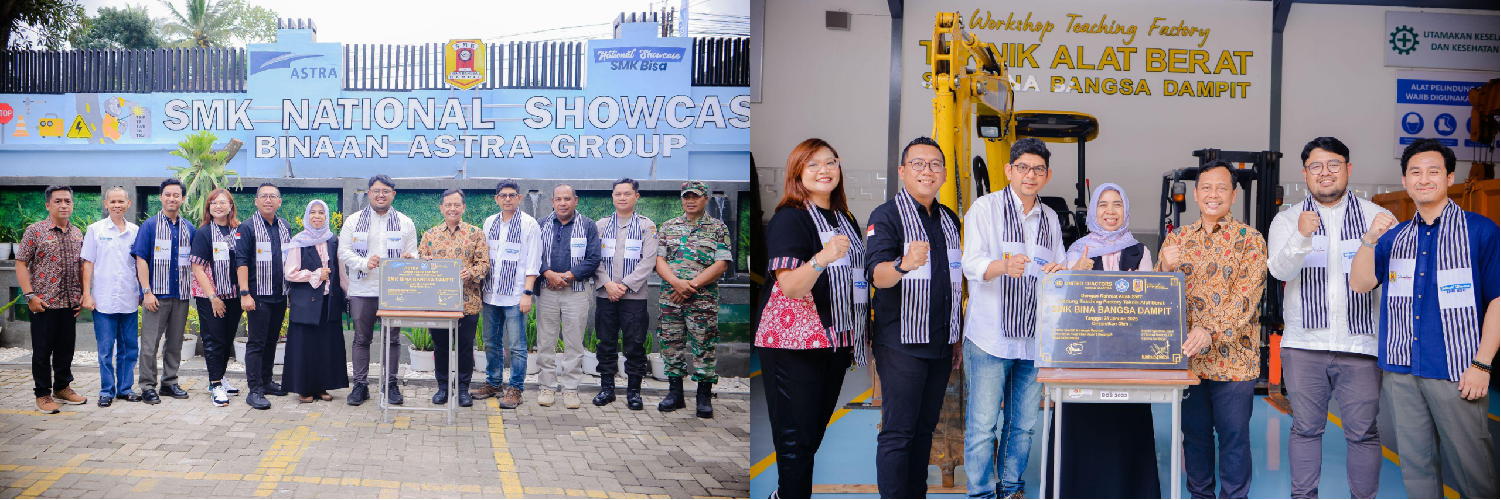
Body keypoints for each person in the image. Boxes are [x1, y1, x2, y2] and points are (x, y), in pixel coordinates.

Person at [1350, 138, 1499, 500]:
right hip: (1402, 372)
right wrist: (1369, 240)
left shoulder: (1479, 231)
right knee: (1417, 471)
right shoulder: (1394, 238)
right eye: (1415, 172)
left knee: (1473, 471)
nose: (1424, 179)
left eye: (1434, 171)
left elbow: (1498, 299)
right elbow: (1360, 283)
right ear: (1405, 180)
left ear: (1450, 178)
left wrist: (1482, 362)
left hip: (1457, 372)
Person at [1267, 137, 1389, 499]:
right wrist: (1303, 235)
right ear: (1305, 173)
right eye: (1316, 166)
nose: (1325, 173)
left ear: (1348, 169)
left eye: (1334, 164)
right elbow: (1279, 271)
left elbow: (1394, 277)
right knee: (1305, 429)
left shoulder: (1375, 217)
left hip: (1361, 344)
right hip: (1305, 345)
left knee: (1364, 433)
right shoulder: (1288, 219)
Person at [756, 138, 867, 499]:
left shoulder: (844, 218)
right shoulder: (791, 218)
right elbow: (789, 286)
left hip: (835, 341)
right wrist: (822, 257)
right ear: (798, 174)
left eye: (831, 162)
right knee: (795, 441)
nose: (824, 170)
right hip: (796, 345)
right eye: (814, 164)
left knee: (812, 436)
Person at [960, 137, 1065, 500]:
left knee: (1022, 426)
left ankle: (1011, 489)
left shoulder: (1051, 218)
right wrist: (1001, 266)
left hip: (1033, 339)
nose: (1030, 175)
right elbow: (969, 263)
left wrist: (1059, 270)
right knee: (982, 426)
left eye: (1038, 169)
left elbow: (1060, 270)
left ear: (1047, 175)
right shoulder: (984, 209)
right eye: (1023, 167)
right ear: (1009, 170)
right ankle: (981, 494)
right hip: (990, 338)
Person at [1156, 159, 1267, 499]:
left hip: (1234, 362)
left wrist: (1210, 331)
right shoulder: (1178, 239)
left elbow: (1246, 298)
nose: (1213, 194)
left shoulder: (1251, 240)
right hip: (1189, 363)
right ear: (1195, 193)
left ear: (1233, 195)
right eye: (1206, 187)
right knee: (1195, 436)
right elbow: (1156, 298)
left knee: (1234, 437)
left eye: (1221, 188)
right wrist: (1164, 267)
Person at [1043, 183, 1160, 499]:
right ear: (1094, 211)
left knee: (1124, 428)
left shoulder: (1140, 251)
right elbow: (1062, 309)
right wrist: (1073, 275)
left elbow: (1149, 304)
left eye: (1117, 204)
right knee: (1083, 429)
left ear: (1125, 210)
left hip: (1127, 360)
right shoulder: (1076, 250)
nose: (1110, 211)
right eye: (1103, 205)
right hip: (1084, 361)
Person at [864, 137, 963, 499]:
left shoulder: (949, 219)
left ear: (945, 174)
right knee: (898, 431)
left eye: (935, 164)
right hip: (902, 343)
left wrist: (955, 337)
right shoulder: (885, 216)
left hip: (940, 343)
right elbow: (877, 276)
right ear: (903, 171)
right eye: (918, 164)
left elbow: (954, 281)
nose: (928, 171)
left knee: (925, 430)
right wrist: (904, 264)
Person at [338, 174, 418, 406]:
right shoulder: (354, 221)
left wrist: (409, 257)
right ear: (368, 193)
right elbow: (344, 251)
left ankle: (390, 384)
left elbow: (414, 252)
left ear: (393, 194)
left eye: (385, 191)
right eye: (376, 191)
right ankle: (360, 385)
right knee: (362, 339)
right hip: (363, 288)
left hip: (393, 290)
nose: (380, 195)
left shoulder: (405, 222)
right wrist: (364, 263)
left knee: (392, 339)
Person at [655, 180, 733, 418]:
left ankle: (703, 396)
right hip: (671, 298)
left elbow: (721, 265)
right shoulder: (668, 227)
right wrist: (677, 284)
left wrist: (691, 286)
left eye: (696, 196)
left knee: (704, 346)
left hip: (703, 301)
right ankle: (675, 394)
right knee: (671, 344)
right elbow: (659, 261)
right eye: (686, 196)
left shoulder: (718, 228)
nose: (690, 200)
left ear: (705, 199)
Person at [471, 180, 541, 409]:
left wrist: (527, 293)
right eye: (503, 195)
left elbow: (533, 262)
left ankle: (516, 389)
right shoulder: (489, 222)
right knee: (491, 341)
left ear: (519, 198)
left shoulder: (529, 224)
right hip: (491, 293)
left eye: (512, 195)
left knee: (518, 345)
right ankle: (493, 383)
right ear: (496, 199)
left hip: (515, 295)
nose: (507, 199)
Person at [418, 189, 490, 408]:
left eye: (456, 205)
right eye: (448, 205)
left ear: (463, 208)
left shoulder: (475, 234)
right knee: (440, 347)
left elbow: (484, 264)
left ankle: (462, 388)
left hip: (467, 301)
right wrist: (425, 264)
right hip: (438, 303)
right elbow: (420, 264)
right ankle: (442, 387)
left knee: (465, 347)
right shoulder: (430, 235)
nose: (452, 209)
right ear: (441, 208)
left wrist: (470, 273)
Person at [17, 185, 86, 413]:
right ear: (48, 205)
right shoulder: (35, 231)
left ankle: (62, 387)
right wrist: (30, 296)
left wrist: (81, 295)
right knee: (42, 351)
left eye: (67, 201)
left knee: (66, 349)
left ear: (72, 205)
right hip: (43, 304)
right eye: (58, 201)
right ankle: (43, 394)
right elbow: (21, 263)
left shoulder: (77, 233)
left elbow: (81, 267)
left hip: (69, 303)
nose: (63, 205)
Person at [533, 183, 601, 410]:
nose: (563, 203)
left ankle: (571, 389)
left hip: (577, 292)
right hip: (547, 290)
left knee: (574, 342)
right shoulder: (541, 224)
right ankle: (547, 386)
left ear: (575, 200)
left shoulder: (588, 225)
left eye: (567, 199)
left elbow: (593, 258)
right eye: (558, 199)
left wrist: (568, 276)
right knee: (546, 341)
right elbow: (533, 254)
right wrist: (549, 274)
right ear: (552, 201)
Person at [593, 177, 658, 410]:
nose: (622, 197)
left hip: (634, 298)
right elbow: (594, 258)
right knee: (606, 343)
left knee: (635, 344)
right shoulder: (600, 226)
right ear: (612, 197)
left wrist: (625, 285)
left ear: (636, 196)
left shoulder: (646, 226)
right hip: (605, 295)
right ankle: (607, 389)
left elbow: (649, 259)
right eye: (618, 194)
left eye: (627, 194)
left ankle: (634, 392)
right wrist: (608, 284)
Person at [133, 178, 196, 405]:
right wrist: (147, 291)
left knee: (175, 342)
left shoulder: (189, 228)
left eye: (176, 195)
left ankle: (170, 382)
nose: (172, 198)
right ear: (160, 197)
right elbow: (141, 260)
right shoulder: (149, 226)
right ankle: (147, 386)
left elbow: (194, 262)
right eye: (167, 194)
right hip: (156, 296)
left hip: (180, 295)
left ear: (183, 199)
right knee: (150, 344)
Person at [281, 200, 351, 404]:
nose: (317, 216)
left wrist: (347, 293)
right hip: (305, 304)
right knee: (304, 346)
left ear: (327, 216)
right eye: (313, 213)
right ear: (307, 216)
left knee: (325, 345)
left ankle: (321, 387)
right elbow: (290, 273)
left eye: (321, 213)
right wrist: (314, 274)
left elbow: (340, 272)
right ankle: (304, 388)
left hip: (328, 302)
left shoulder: (333, 240)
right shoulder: (298, 240)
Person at [81, 186, 141, 407]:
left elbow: (140, 265)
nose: (117, 205)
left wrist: (143, 291)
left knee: (129, 348)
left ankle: (125, 389)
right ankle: (106, 390)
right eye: (112, 201)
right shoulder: (95, 230)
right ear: (105, 204)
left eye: (121, 201)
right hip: (103, 299)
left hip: (129, 298)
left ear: (128, 203)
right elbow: (88, 263)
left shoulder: (135, 231)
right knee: (105, 349)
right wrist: (86, 294)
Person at [236, 182, 292, 410]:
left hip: (279, 295)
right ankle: (255, 390)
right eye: (264, 196)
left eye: (273, 196)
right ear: (256, 201)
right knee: (257, 343)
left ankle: (267, 382)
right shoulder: (247, 227)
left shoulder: (285, 226)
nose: (268, 200)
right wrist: (245, 294)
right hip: (257, 296)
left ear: (279, 201)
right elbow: (240, 262)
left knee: (272, 341)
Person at [190, 188, 246, 408]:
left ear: (231, 206)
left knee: (227, 337)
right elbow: (197, 267)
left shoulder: (240, 231)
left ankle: (220, 378)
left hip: (233, 295)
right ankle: (215, 385)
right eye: (213, 203)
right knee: (213, 339)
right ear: (209, 208)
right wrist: (213, 297)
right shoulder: (204, 232)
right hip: (210, 296)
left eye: (223, 203)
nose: (218, 206)